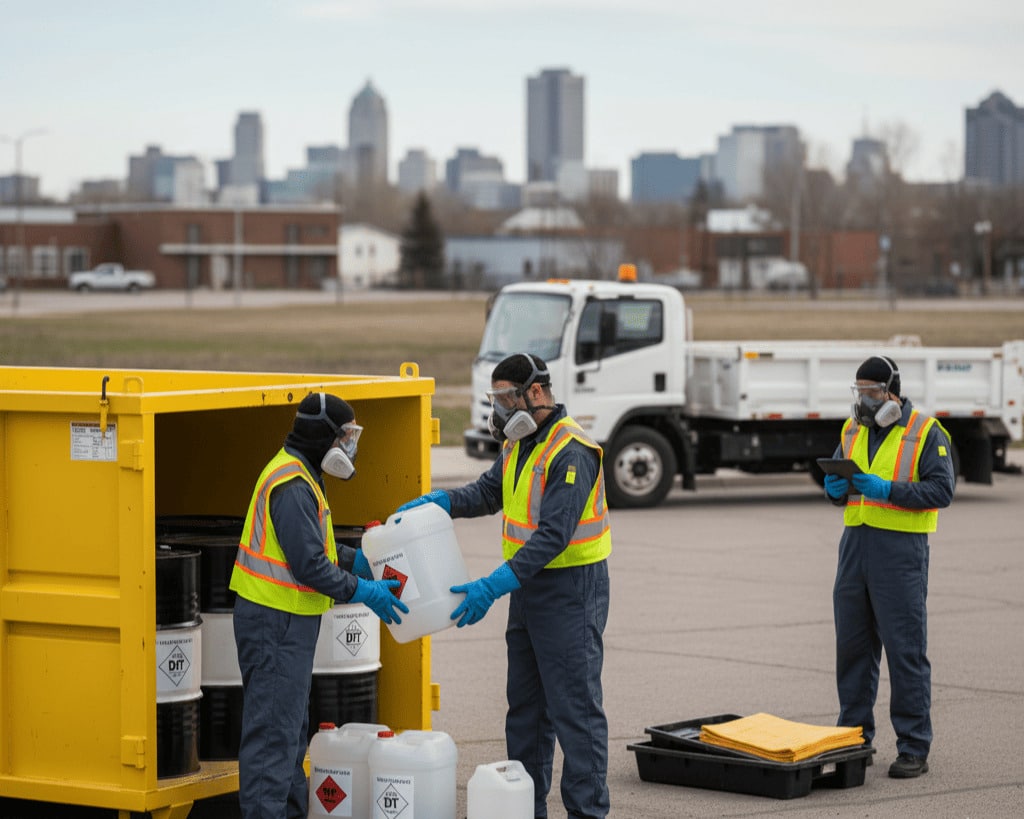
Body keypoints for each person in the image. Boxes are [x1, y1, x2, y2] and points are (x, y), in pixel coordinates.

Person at [397, 353, 611, 819]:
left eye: (507, 398)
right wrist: (441, 503)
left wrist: (492, 586)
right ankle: (525, 807)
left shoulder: (571, 451)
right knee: (527, 711)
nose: (499, 410)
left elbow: (553, 536)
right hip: (529, 590)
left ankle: (588, 812)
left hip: (570, 591)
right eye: (495, 400)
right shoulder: (521, 442)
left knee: (575, 712)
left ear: (536, 393)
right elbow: (489, 492)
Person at [229, 391, 408, 819]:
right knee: (274, 737)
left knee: (289, 734)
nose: (349, 446)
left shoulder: (302, 473)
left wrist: (358, 561)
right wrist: (363, 591)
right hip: (275, 620)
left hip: (288, 622)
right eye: (345, 436)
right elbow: (309, 565)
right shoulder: (291, 484)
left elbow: (316, 548)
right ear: (324, 437)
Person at [823, 355, 954, 779]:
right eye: (859, 393)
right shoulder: (852, 429)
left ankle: (914, 747)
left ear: (892, 393)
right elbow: (841, 477)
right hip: (854, 550)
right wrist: (835, 488)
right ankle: (854, 741)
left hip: (900, 553)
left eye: (872, 393)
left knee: (905, 652)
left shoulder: (925, 432)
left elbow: (941, 489)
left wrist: (887, 489)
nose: (864, 401)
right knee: (853, 651)